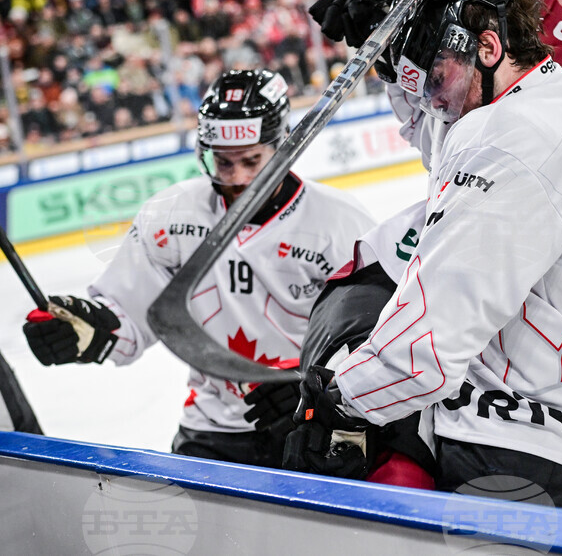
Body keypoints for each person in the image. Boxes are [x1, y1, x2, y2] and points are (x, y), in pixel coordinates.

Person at [282, 0, 562, 510]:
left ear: (490, 47)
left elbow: (426, 346)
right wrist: (393, 53)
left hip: (511, 443)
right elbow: (448, 132)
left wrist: (339, 400)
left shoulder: (509, 144)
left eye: (436, 81)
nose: (432, 103)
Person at [21, 69, 375, 467]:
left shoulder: (340, 223)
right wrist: (85, 330)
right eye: (223, 163)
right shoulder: (171, 216)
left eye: (251, 161)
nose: (238, 178)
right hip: (211, 429)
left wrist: (315, 387)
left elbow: (378, 339)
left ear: (284, 147)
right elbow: (131, 319)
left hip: (311, 424)